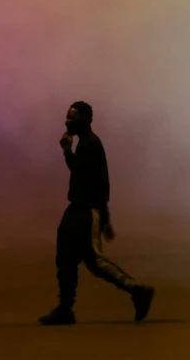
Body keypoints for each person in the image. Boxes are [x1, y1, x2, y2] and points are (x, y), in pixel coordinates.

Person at [38, 101, 155, 326]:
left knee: (94, 261)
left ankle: (138, 291)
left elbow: (84, 175)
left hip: (85, 210)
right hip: (78, 209)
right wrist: (106, 217)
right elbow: (99, 182)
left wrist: (65, 151)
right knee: (66, 259)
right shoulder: (87, 143)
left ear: (86, 120)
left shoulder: (90, 145)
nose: (67, 121)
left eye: (73, 118)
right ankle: (65, 308)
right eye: (67, 116)